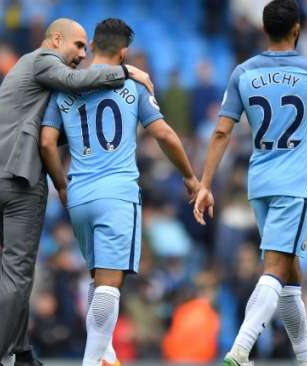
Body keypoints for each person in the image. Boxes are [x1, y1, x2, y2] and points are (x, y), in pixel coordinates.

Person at [0, 17, 154, 366]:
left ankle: (22, 353)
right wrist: (126, 71)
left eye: (86, 48)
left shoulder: (28, 71)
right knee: (18, 274)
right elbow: (72, 84)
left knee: (16, 271)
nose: (83, 55)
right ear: (56, 39)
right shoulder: (43, 60)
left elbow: (59, 127)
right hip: (19, 176)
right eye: (78, 46)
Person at [192, 1, 307, 365]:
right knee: (276, 270)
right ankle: (239, 350)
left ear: (264, 30)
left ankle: (306, 358)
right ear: (297, 29)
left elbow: (222, 131)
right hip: (293, 184)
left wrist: (205, 183)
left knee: (290, 273)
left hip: (260, 183)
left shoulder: (243, 72)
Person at [39, 18, 200, 366]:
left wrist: (61, 184)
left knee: (99, 283)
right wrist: (190, 177)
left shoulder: (64, 85)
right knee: (109, 286)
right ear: (124, 52)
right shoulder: (133, 86)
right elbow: (166, 135)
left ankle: (106, 357)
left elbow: (47, 142)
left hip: (78, 195)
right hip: (117, 194)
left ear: (93, 46)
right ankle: (91, 360)